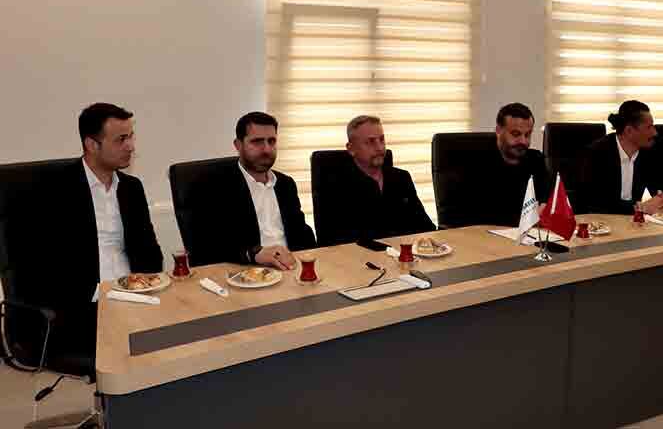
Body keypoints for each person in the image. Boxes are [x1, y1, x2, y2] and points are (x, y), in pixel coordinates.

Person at [8, 103, 163, 371]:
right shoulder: (51, 190)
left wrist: (142, 286)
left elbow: (150, 252)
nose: (130, 146)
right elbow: (34, 266)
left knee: (183, 332)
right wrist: (100, 293)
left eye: (131, 136)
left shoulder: (131, 188)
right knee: (134, 351)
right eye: (121, 139)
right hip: (79, 307)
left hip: (132, 297)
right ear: (92, 145)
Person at [190, 112, 315, 269]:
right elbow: (205, 243)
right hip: (244, 269)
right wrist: (254, 253)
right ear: (238, 145)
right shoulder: (213, 185)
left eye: (271, 141)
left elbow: (301, 233)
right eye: (257, 142)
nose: (266, 149)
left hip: (290, 266)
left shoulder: (285, 184)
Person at [316, 116, 435, 246]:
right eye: (370, 142)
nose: (379, 147)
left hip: (404, 254)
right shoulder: (335, 185)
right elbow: (331, 240)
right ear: (351, 149)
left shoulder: (401, 178)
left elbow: (425, 226)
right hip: (358, 256)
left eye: (382, 140)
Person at [439, 102, 551, 227]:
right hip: (484, 235)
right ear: (498, 131)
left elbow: (549, 197)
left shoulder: (536, 159)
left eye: (528, 134)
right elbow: (460, 216)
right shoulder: (474, 164)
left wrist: (545, 207)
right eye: (516, 134)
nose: (523, 141)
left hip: (527, 235)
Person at [583, 101, 663, 215]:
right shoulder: (597, 153)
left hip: (636, 222)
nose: (655, 133)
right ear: (629, 131)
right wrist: (640, 207)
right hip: (604, 221)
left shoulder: (652, 152)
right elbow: (594, 202)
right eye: (649, 127)